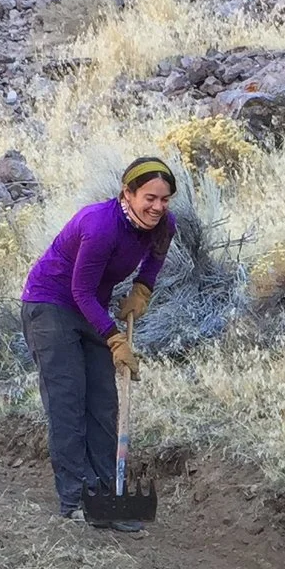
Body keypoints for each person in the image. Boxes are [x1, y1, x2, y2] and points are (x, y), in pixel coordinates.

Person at [20, 155, 176, 526]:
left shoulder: (163, 224)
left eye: (164, 199)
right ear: (128, 192)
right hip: (50, 304)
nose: (156, 207)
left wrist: (143, 289)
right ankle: (74, 500)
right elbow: (80, 290)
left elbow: (154, 260)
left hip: (90, 306)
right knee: (68, 402)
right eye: (149, 198)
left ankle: (106, 496)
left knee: (104, 403)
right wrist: (114, 339)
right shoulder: (100, 226)